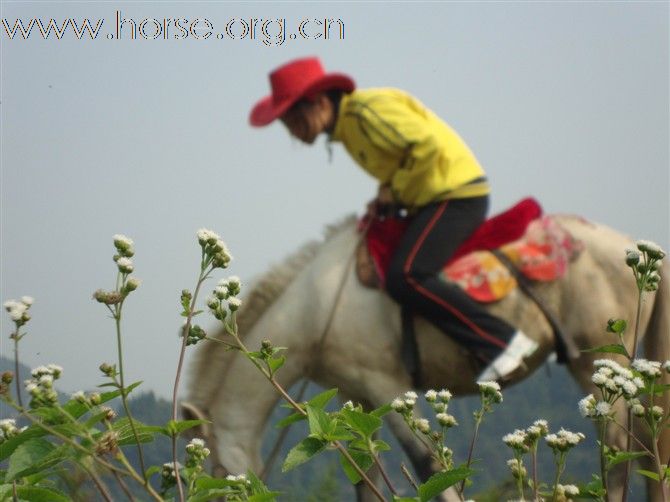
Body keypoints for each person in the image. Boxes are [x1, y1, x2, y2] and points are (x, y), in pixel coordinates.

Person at [249, 56, 537, 381]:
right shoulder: (347, 130)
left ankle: (499, 342)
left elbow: (425, 147)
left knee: (407, 276)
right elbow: (402, 161)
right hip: (431, 200)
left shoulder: (366, 111)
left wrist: (394, 192)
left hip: (455, 195)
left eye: (293, 121)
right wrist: (386, 192)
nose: (294, 134)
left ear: (316, 102)